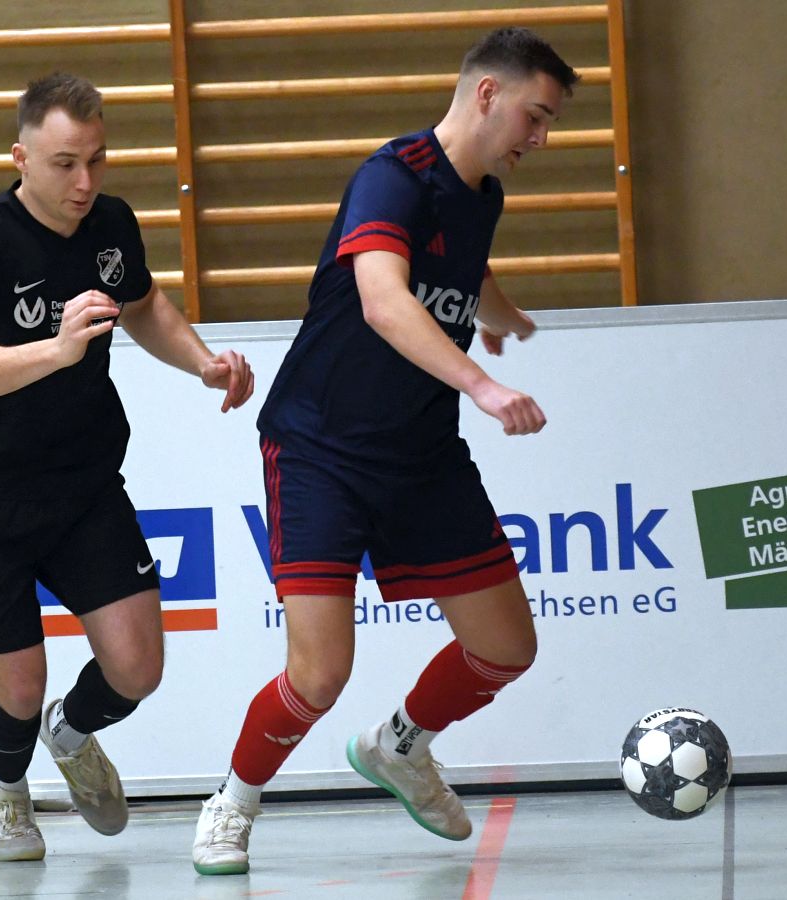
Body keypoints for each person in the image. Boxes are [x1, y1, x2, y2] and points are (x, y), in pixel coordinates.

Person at [191, 27, 578, 876]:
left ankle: (400, 745)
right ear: (487, 94)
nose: (541, 138)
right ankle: (232, 803)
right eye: (536, 115)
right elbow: (382, 298)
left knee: (506, 648)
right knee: (319, 673)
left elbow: (466, 269)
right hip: (321, 448)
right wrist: (483, 385)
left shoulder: (483, 196)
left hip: (423, 455)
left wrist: (500, 312)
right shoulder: (391, 177)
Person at [0, 72, 254, 862]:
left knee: (137, 667)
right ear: (21, 158)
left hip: (80, 485)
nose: (84, 182)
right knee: (17, 684)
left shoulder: (111, 223)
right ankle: (6, 790)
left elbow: (141, 303)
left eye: (97, 160)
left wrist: (202, 362)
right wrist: (58, 349)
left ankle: (71, 733)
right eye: (65, 163)